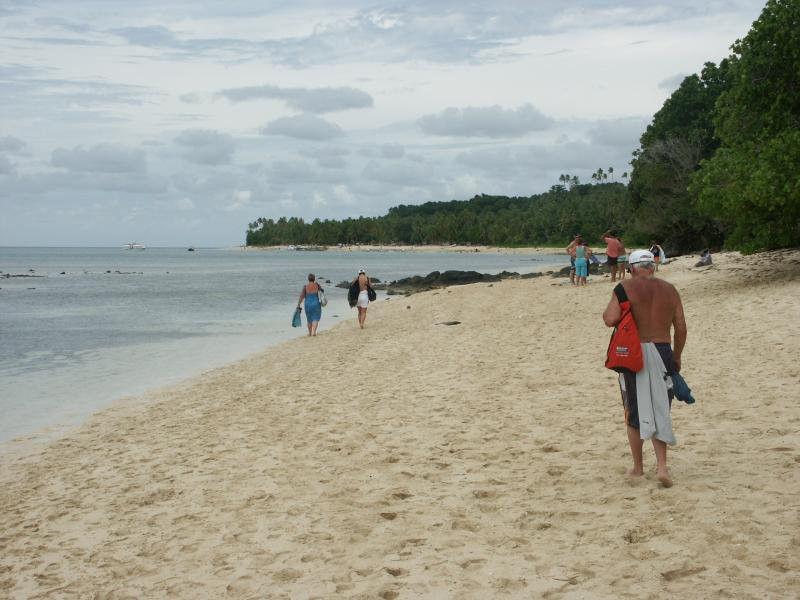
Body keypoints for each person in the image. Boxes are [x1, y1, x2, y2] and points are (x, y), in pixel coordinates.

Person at [602, 249, 687, 487]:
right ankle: (662, 467)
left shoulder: (624, 288)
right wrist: (677, 357)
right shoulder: (670, 290)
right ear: (653, 266)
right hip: (663, 351)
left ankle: (638, 468)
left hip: (634, 354)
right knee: (661, 406)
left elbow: (609, 319)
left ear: (631, 268)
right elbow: (681, 328)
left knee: (633, 411)